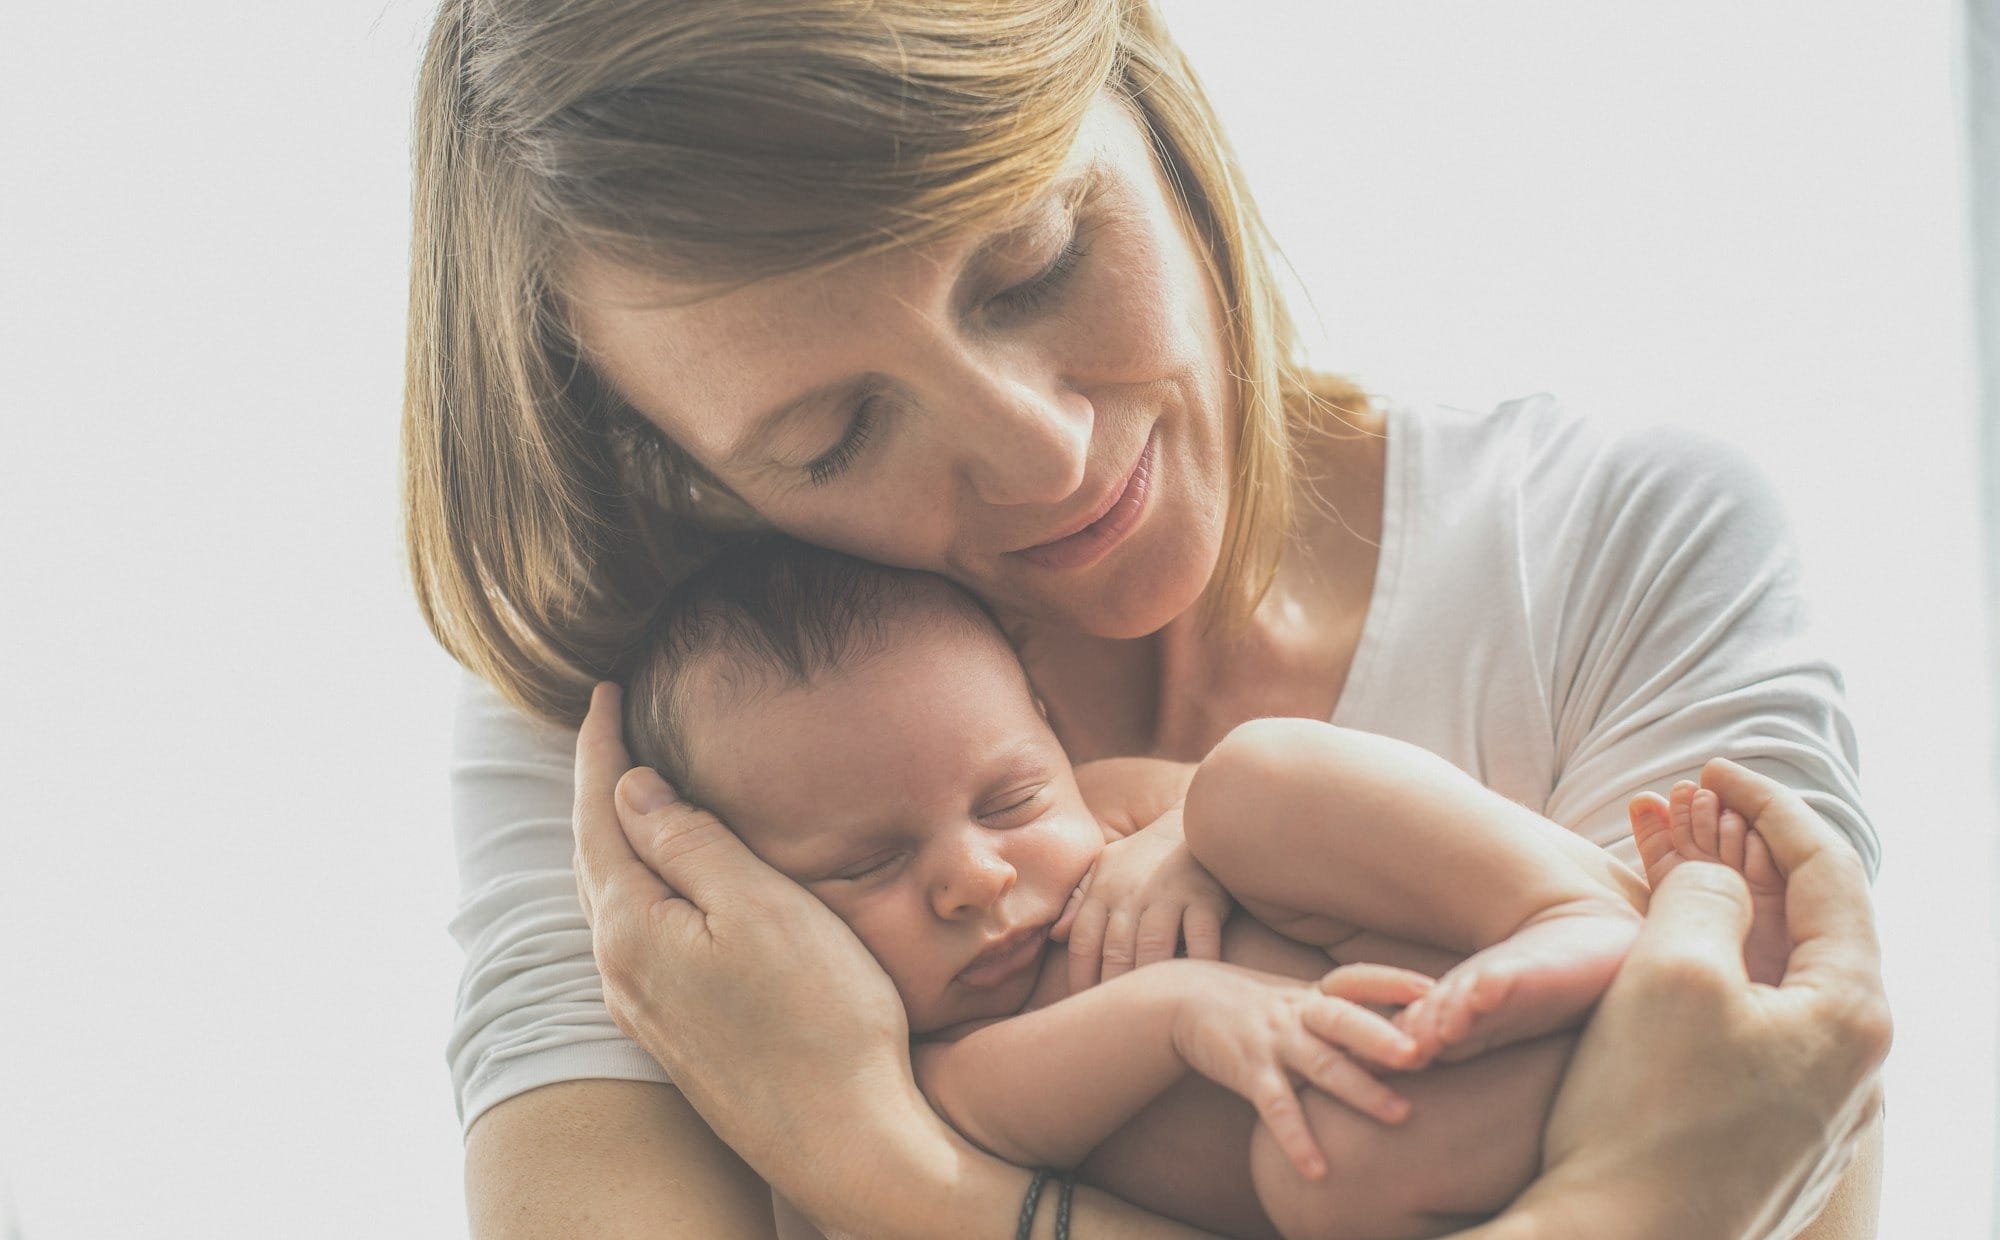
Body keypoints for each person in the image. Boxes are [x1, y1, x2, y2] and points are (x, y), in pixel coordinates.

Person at [404, 0, 1890, 1235]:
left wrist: (884, 1163)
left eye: (1040, 257)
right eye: (833, 435)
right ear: (673, 465)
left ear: (1149, 87)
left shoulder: (1605, 546)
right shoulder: (662, 744)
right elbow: (1699, 1162)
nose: (1044, 451)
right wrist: (1640, 1193)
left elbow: (1782, 1111)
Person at [615, 537, 1809, 1239]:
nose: (976, 877)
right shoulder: (926, 1066)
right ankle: (1635, 989)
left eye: (1008, 800)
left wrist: (1181, 832)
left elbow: (1266, 812)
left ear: (1045, 724)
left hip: (1458, 957)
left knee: (1255, 776)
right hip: (1424, 1120)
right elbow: (987, 1122)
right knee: (1325, 1164)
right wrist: (1188, 1007)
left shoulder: (1108, 799)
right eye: (866, 865)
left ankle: (1572, 918)